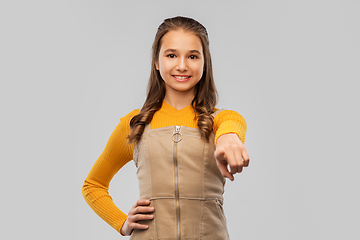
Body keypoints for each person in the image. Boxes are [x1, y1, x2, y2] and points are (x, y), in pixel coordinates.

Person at [82, 16, 250, 239]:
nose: (182, 65)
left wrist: (228, 137)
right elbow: (93, 184)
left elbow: (231, 121)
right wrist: (122, 222)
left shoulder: (218, 121)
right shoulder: (135, 125)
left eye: (192, 56)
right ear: (156, 62)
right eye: (171, 55)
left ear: (204, 62)